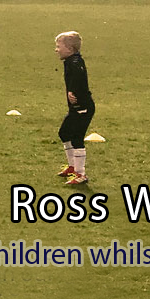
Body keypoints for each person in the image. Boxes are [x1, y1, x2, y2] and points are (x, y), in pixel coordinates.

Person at [53, 31, 95, 185]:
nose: (56, 50)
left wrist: (73, 90)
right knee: (64, 132)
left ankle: (81, 174)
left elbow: (79, 76)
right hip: (74, 108)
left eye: (59, 46)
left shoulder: (76, 62)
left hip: (82, 107)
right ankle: (72, 167)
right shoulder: (70, 61)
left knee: (77, 138)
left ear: (69, 49)